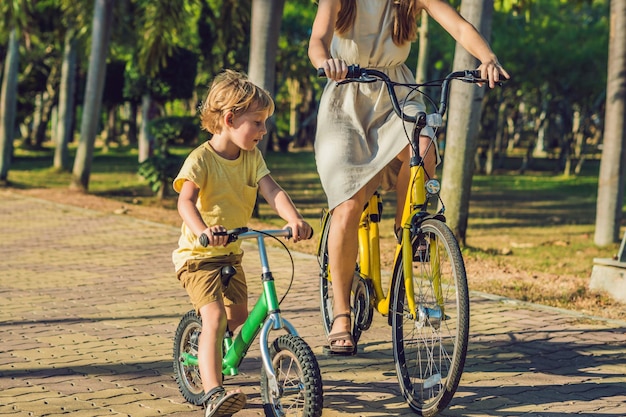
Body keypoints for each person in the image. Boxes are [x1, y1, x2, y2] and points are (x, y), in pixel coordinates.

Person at [308, 0, 509, 354]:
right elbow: (318, 39)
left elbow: (459, 26)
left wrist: (487, 57)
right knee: (348, 206)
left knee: (425, 145)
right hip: (346, 96)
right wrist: (327, 62)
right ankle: (340, 312)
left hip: (396, 92)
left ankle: (410, 230)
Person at [172, 69, 313, 416]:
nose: (264, 131)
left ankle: (227, 359)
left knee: (240, 321)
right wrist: (204, 229)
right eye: (258, 122)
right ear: (230, 118)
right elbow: (184, 202)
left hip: (232, 254)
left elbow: (272, 190)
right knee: (215, 318)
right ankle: (213, 392)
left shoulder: (251, 158)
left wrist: (292, 219)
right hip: (199, 257)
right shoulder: (201, 159)